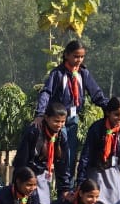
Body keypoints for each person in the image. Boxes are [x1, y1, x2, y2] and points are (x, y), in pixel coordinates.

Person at [34, 40, 110, 181]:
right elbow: (46, 92)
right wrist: (39, 113)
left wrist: (110, 108)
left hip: (73, 119)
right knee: (63, 153)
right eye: (76, 56)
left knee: (71, 154)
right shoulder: (57, 73)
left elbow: (96, 94)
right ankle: (59, 186)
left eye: (81, 57)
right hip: (58, 120)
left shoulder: (83, 73)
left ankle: (67, 188)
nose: (79, 60)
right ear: (67, 55)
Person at [14, 103, 73, 203]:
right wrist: (18, 183)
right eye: (56, 121)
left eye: (63, 122)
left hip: (44, 177)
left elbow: (63, 165)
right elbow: (21, 159)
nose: (59, 125)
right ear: (46, 118)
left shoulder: (61, 136)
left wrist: (65, 189)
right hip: (28, 177)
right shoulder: (34, 132)